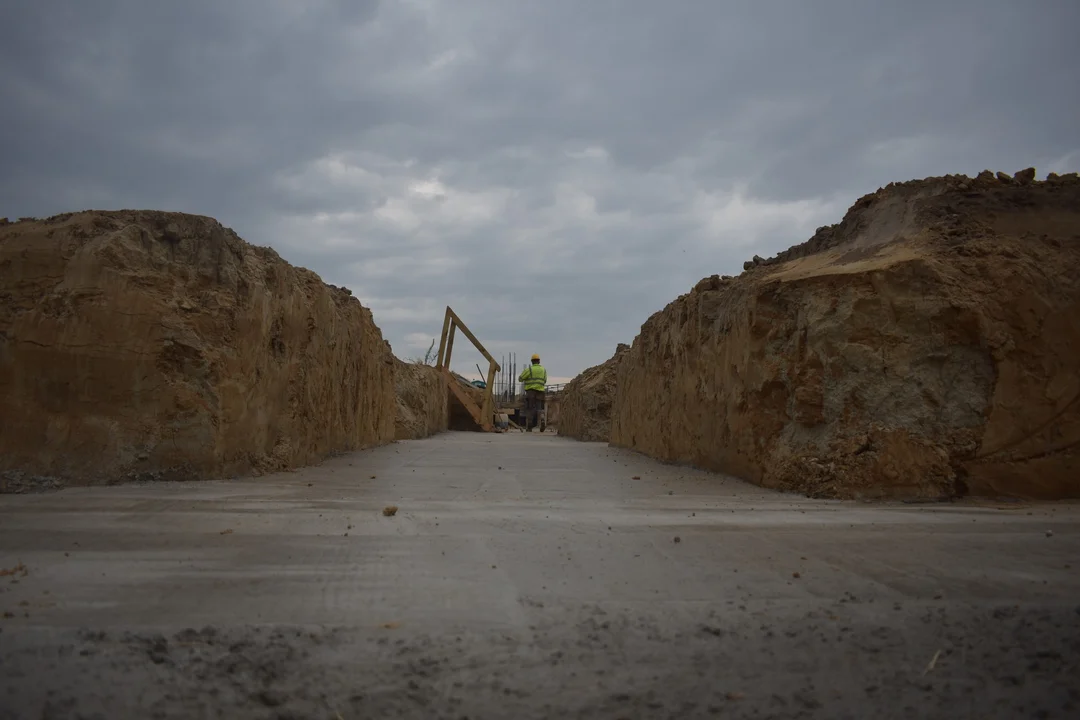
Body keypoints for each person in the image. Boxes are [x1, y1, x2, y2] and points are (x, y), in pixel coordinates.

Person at [518, 353, 548, 432]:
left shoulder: (529, 370)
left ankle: (529, 426)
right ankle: (542, 418)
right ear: (539, 361)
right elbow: (544, 380)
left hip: (531, 392)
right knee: (540, 408)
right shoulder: (543, 370)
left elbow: (520, 379)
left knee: (530, 408)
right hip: (541, 391)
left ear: (532, 361)